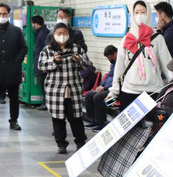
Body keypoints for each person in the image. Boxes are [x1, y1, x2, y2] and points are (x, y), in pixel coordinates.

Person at [95, 49, 173, 177]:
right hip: (158, 122)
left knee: (134, 142)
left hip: (169, 129)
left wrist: (154, 109)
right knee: (123, 135)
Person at [107, 0, 173, 111]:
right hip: (128, 91)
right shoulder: (127, 39)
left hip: (152, 92)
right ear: (132, 15)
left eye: (143, 12)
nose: (139, 15)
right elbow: (119, 68)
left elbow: (168, 66)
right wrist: (113, 93)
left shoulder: (158, 39)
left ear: (148, 14)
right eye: (136, 12)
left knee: (153, 122)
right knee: (127, 122)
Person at [38, 23, 90, 154]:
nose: (62, 36)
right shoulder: (47, 50)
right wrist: (54, 61)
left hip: (73, 89)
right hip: (55, 90)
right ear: (54, 35)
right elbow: (41, 66)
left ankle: (80, 142)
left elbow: (87, 65)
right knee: (58, 118)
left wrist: (79, 60)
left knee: (76, 117)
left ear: (69, 34)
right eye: (59, 33)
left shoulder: (77, 48)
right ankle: (61, 144)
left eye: (64, 33)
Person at [0, 2, 27, 132]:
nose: (2, 16)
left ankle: (14, 121)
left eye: (4, 14)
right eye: (0, 14)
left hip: (13, 70)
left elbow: (23, 48)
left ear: (9, 15)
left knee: (14, 98)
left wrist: (16, 61)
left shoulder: (16, 31)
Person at [86, 45, 118, 129]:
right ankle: (94, 120)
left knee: (98, 98)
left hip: (116, 96)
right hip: (107, 89)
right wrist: (101, 85)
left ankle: (102, 122)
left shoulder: (121, 64)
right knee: (88, 95)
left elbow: (117, 80)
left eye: (110, 57)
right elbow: (108, 76)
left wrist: (105, 88)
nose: (110, 59)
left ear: (115, 53)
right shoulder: (113, 64)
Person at [32, 15, 50, 111]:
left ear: (36, 24)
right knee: (42, 84)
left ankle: (46, 103)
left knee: (44, 84)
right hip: (40, 62)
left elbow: (45, 49)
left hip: (43, 63)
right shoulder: (40, 32)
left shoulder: (43, 33)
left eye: (32, 23)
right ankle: (45, 102)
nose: (32, 26)